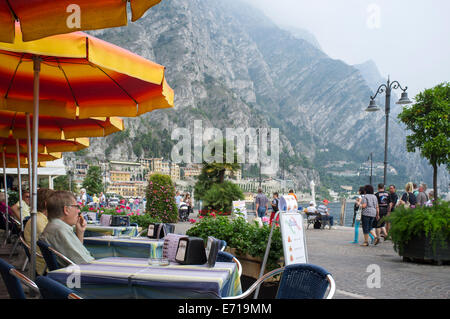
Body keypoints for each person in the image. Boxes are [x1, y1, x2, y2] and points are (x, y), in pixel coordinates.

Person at [39, 190, 95, 265]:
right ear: (66, 210)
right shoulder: (60, 230)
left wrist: (80, 232)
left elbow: (76, 254)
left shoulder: (55, 227)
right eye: (77, 207)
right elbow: (85, 262)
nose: (79, 211)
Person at [24, 188, 54, 275]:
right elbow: (55, 246)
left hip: (44, 262)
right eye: (55, 201)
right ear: (46, 204)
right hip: (45, 267)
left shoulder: (39, 218)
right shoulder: (38, 221)